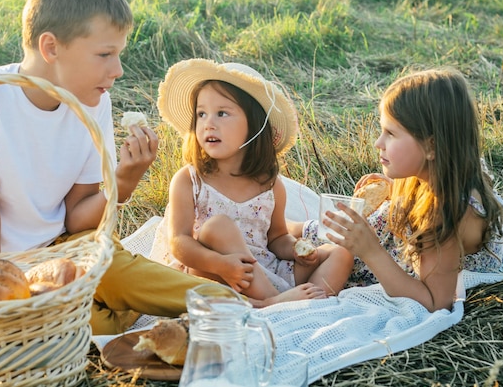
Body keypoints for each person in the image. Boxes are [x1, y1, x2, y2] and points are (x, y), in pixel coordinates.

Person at [0, 0, 309, 335]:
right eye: (105, 54)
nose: (117, 70)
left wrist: (125, 180)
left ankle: (252, 305)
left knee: (142, 280)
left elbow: (77, 220)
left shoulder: (94, 100)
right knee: (91, 319)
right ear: (51, 48)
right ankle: (100, 308)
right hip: (7, 264)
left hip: (75, 247)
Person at [151, 58, 353, 300]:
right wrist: (221, 264)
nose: (208, 124)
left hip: (265, 269)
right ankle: (272, 304)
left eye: (222, 113)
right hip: (216, 273)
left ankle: (309, 305)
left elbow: (277, 238)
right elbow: (179, 242)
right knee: (217, 226)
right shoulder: (190, 180)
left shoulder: (270, 184)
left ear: (254, 125)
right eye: (201, 114)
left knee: (341, 253)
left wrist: (296, 251)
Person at [309, 68, 503, 312]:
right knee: (318, 234)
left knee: (320, 250)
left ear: (431, 146)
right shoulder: (454, 169)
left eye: (391, 134)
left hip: (399, 257)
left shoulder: (448, 212)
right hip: (405, 242)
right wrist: (393, 188)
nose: (378, 143)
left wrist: (370, 250)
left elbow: (436, 302)